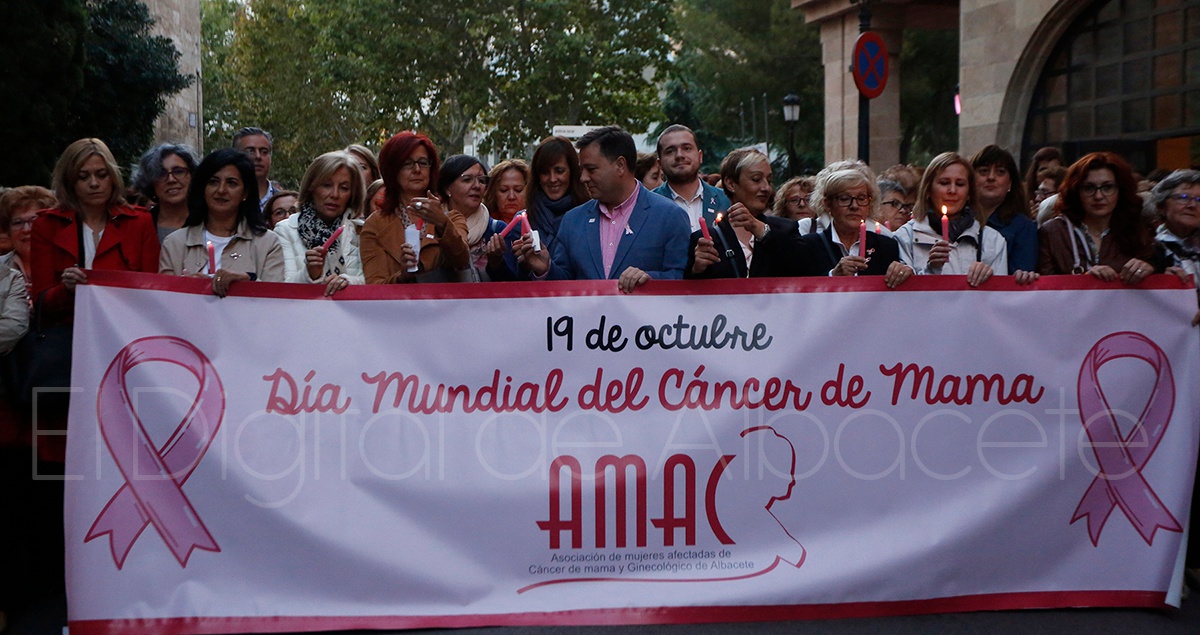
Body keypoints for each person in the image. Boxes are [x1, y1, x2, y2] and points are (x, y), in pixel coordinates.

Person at [517, 126, 690, 292]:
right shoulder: (572, 221)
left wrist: (651, 280)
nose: (583, 178)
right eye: (582, 170)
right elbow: (565, 284)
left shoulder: (670, 216)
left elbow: (682, 280)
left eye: (591, 169)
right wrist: (545, 269)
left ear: (620, 165)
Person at [159, 148, 285, 295]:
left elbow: (275, 299)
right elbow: (164, 300)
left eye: (231, 183)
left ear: (245, 193)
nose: (221, 190)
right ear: (203, 189)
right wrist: (187, 288)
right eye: (213, 182)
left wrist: (248, 283)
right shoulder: (174, 243)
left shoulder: (268, 243)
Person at [360, 131, 468, 283]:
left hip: (442, 298)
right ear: (392, 170)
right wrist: (402, 276)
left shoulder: (452, 218)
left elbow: (462, 260)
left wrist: (442, 223)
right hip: (398, 298)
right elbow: (374, 285)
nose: (417, 169)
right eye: (407, 163)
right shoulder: (375, 225)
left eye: (423, 162)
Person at [1037, 152, 1154, 283]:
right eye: (1089, 188)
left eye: (1107, 187)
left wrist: (1149, 268)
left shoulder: (1138, 229)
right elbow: (1045, 288)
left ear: (1121, 190)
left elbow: (1158, 279)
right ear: (1076, 191)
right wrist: (1085, 281)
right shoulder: (1053, 232)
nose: (1098, 196)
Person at [686, 148, 804, 279]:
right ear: (731, 184)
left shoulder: (786, 229)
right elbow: (691, 287)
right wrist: (697, 269)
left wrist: (761, 230)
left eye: (769, 181)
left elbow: (804, 268)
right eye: (756, 179)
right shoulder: (706, 239)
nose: (766, 188)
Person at [893, 152, 1008, 286]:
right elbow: (903, 294)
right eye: (944, 183)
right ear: (928, 190)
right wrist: (932, 269)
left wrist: (988, 281)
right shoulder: (905, 237)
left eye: (960, 184)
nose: (952, 190)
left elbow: (1000, 294)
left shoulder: (992, 240)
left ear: (969, 193)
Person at [485, 137, 588, 281]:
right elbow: (515, 283)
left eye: (559, 171)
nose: (552, 179)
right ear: (537, 176)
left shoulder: (589, 215)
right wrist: (502, 263)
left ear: (572, 172)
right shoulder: (523, 221)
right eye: (545, 172)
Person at [796, 168, 913, 287]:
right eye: (844, 199)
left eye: (861, 199)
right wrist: (832, 276)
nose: (854, 206)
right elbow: (798, 290)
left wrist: (904, 274)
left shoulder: (886, 247)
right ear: (827, 204)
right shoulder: (808, 246)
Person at [273, 152, 364, 295]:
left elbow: (376, 281)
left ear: (353, 193)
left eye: (344, 188)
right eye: (327, 185)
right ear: (311, 187)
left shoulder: (361, 230)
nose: (335, 194)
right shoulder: (285, 230)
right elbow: (281, 291)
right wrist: (310, 274)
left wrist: (348, 282)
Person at [438, 154, 504, 281]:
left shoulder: (497, 230)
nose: (477, 186)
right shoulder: (432, 226)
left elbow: (513, 281)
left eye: (482, 180)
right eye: (467, 180)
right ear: (447, 188)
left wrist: (496, 263)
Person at [652, 124, 730, 232]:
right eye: (670, 151)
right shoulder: (648, 205)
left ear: (700, 156)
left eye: (687, 148)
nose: (679, 155)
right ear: (660, 163)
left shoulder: (727, 200)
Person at [972, 145, 1037, 272]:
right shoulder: (958, 219)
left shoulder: (1023, 227)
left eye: (1000, 172)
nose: (991, 177)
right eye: (984, 171)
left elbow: (1021, 273)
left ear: (1010, 183)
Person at [131, 143, 199, 242]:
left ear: (192, 176)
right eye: (161, 174)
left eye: (179, 171)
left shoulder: (208, 222)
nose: (171, 179)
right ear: (151, 182)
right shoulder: (139, 225)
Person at [0, 186, 56, 300]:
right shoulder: (2, 267)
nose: (26, 229)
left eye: (34, 220)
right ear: (8, 231)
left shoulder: (67, 264)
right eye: (17, 223)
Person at [232, 127, 282, 211]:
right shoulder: (225, 199)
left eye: (264, 152)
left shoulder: (285, 202)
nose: (258, 156)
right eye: (250, 151)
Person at [484, 159, 529, 225]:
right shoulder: (483, 223)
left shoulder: (540, 223)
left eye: (518, 190)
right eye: (504, 190)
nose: (511, 197)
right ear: (493, 193)